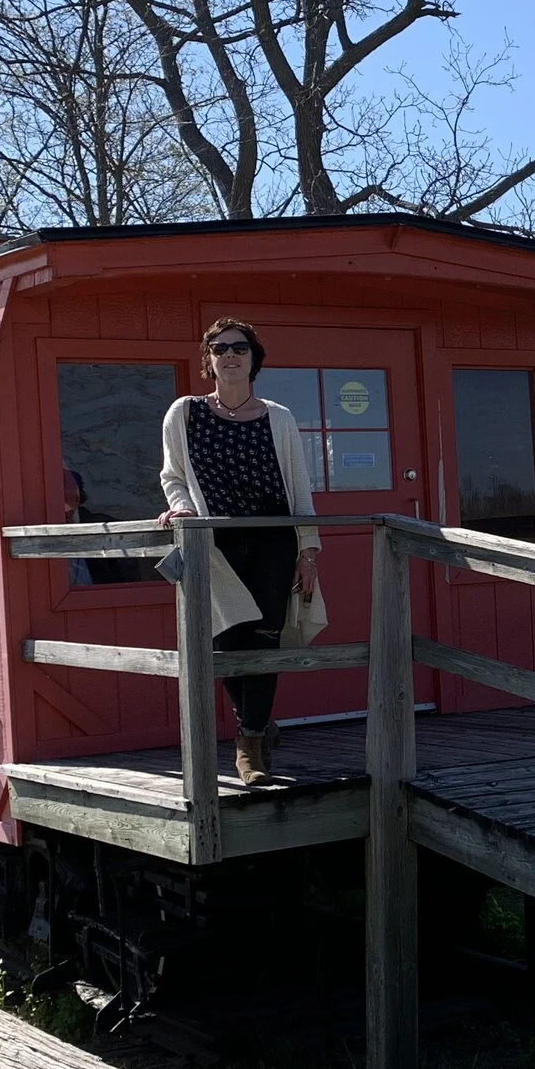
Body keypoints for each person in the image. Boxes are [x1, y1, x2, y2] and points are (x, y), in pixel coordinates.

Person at [158, 319, 326, 786]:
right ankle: (255, 728)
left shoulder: (279, 417)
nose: (230, 355)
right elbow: (173, 476)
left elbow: (299, 487)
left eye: (240, 347)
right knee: (228, 639)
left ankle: (250, 740)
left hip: (274, 540)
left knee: (266, 638)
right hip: (215, 542)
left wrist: (307, 550)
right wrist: (183, 508)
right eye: (220, 348)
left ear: (254, 358)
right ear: (208, 359)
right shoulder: (185, 412)